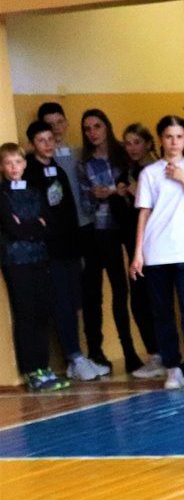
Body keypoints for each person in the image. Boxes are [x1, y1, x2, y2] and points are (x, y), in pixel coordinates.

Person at [129, 115, 184, 390]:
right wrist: (138, 253)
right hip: (156, 253)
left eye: (179, 137)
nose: (174, 142)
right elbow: (144, 213)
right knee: (162, 313)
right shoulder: (149, 173)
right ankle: (172, 368)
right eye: (168, 136)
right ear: (161, 139)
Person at [23, 120, 106, 382]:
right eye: (41, 141)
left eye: (50, 139)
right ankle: (73, 354)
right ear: (32, 145)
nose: (48, 145)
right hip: (49, 250)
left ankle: (77, 357)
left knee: (74, 302)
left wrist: (77, 245)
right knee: (60, 303)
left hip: (69, 246)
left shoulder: (57, 169)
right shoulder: (30, 172)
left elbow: (68, 208)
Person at [0, 142, 70, 391]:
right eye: (8, 163)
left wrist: (31, 226)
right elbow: (12, 228)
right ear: (2, 167)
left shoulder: (34, 191)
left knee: (43, 310)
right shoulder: (2, 194)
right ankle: (32, 370)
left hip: (39, 258)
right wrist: (33, 225)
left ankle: (45, 367)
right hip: (15, 261)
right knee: (25, 313)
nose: (14, 167)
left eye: (17, 162)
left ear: (24, 163)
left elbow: (47, 224)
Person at [78, 108, 141, 373]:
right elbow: (86, 203)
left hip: (127, 228)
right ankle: (102, 350)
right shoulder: (84, 163)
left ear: (107, 127)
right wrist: (101, 194)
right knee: (103, 291)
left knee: (126, 290)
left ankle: (131, 351)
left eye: (97, 126)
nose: (93, 133)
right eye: (88, 128)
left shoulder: (123, 155)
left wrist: (117, 192)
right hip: (100, 232)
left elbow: (138, 191)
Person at [116, 123, 163, 379]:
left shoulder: (155, 170)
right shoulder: (130, 170)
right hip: (134, 242)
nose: (132, 148)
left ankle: (163, 355)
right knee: (139, 300)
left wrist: (138, 195)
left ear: (147, 143)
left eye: (136, 142)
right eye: (128, 143)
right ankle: (155, 353)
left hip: (153, 243)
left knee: (153, 300)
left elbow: (161, 206)